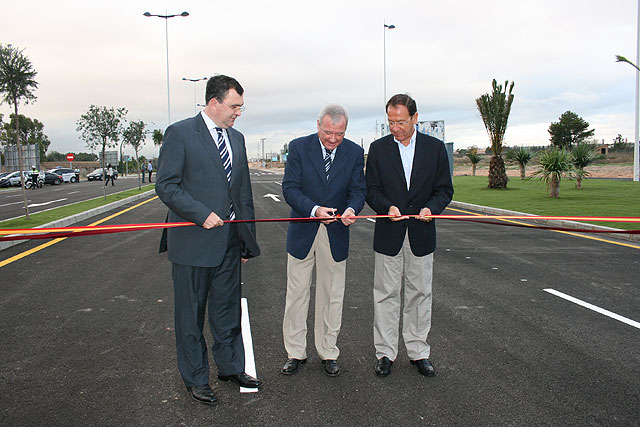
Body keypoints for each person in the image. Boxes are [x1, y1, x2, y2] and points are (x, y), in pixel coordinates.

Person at [155, 75, 261, 406]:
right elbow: (167, 185)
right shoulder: (181, 133)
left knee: (227, 312)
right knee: (191, 316)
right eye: (234, 106)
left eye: (241, 107)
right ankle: (196, 378)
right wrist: (200, 213)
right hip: (192, 243)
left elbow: (242, 192)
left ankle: (231, 368)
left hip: (229, 242)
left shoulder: (238, 138)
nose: (238, 113)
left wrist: (246, 239)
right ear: (213, 103)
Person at [365, 94, 453, 378]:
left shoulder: (435, 149)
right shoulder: (378, 150)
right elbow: (372, 190)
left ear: (415, 118)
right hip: (389, 233)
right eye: (390, 122)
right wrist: (385, 207)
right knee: (385, 294)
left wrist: (432, 208)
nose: (395, 128)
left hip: (421, 233)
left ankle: (418, 351)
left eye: (400, 122)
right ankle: (385, 353)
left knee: (420, 293)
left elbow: (444, 190)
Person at [280, 105, 366, 377]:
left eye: (339, 134)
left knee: (332, 295)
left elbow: (358, 190)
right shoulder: (298, 147)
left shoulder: (354, 152)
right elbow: (290, 188)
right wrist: (313, 209)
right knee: (297, 294)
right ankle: (295, 352)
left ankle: (328, 351)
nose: (332, 138)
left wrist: (352, 209)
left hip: (336, 232)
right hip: (304, 231)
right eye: (328, 132)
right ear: (318, 125)